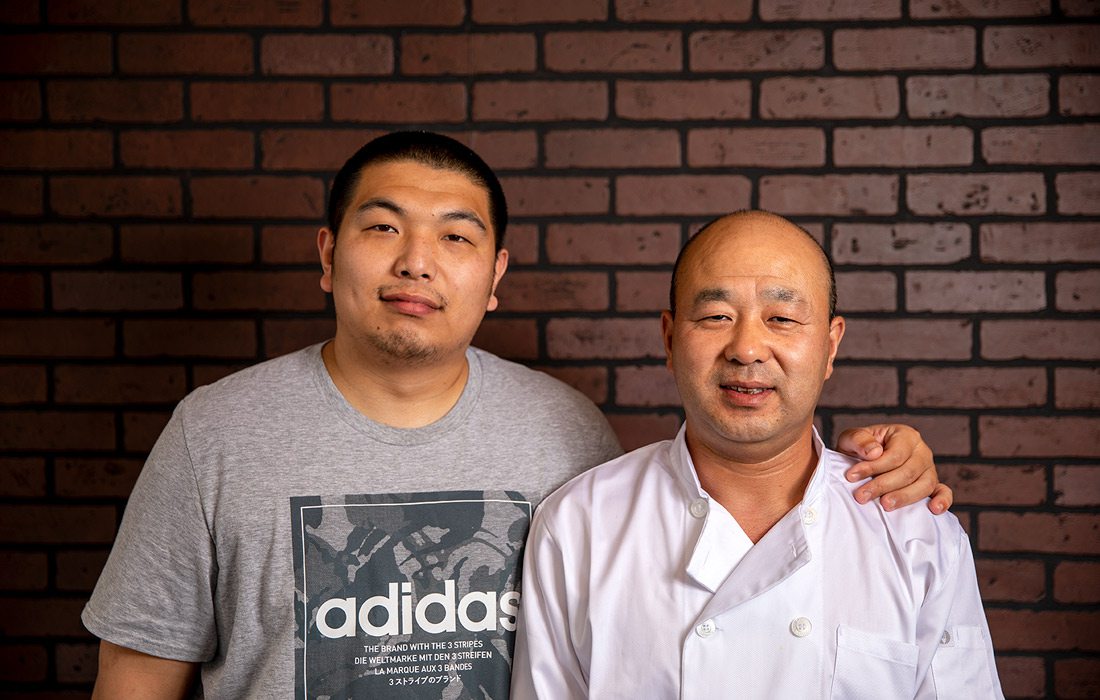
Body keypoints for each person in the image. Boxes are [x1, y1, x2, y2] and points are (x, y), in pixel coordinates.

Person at [82, 134, 950, 699]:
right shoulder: (217, 434)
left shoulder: (566, 431)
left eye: (456, 238)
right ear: (328, 252)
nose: (417, 262)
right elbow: (135, 675)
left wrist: (879, 463)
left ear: (495, 276)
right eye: (383, 228)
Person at [512, 211, 1001, 699]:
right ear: (669, 338)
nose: (747, 349)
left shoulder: (914, 532)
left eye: (782, 319)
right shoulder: (579, 524)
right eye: (716, 317)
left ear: (830, 347)